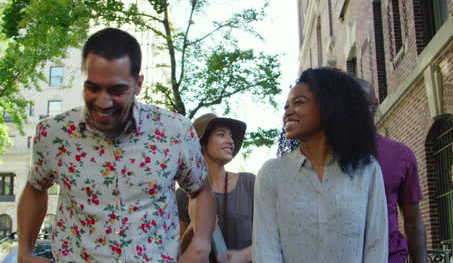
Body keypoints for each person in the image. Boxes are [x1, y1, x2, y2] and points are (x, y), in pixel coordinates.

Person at [17, 27, 216, 263]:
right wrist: (25, 252)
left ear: (138, 84)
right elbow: (35, 188)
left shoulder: (175, 131)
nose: (103, 101)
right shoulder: (53, 134)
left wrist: (201, 244)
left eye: (116, 90)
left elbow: (201, 191)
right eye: (93, 88)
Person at [253, 67, 388, 262]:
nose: (288, 113)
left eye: (298, 103)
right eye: (286, 107)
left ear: (329, 105)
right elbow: (266, 252)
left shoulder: (366, 169)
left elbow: (376, 248)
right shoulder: (272, 174)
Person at [356, 78, 427, 263]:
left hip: (389, 257)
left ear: (375, 105)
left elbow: (413, 221)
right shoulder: (326, 155)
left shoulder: (400, 155)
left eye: (363, 101)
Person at [176, 113, 255, 263]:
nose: (230, 141)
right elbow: (180, 254)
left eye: (231, 136)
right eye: (221, 135)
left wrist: (243, 255)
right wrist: (194, 228)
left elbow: (272, 237)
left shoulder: (249, 183)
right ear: (203, 143)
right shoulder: (183, 195)